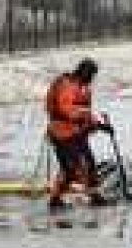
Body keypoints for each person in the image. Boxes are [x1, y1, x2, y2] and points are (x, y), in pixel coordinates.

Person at [45, 58, 113, 210]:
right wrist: (84, 116)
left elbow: (85, 112)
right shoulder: (66, 86)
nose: (92, 79)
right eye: (91, 75)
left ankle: (94, 195)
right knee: (70, 169)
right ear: (84, 73)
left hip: (77, 133)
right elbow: (66, 110)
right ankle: (55, 199)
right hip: (61, 134)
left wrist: (99, 125)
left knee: (89, 164)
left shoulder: (83, 89)